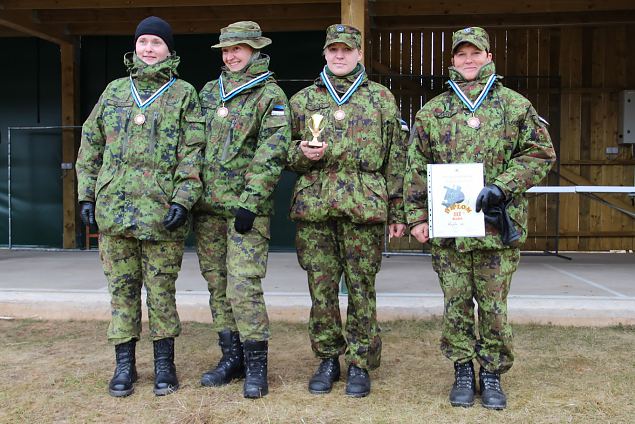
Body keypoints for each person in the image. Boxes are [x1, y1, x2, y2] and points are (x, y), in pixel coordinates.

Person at [404, 27, 556, 409]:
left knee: (492, 306)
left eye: (475, 53)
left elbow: (541, 153)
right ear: (452, 60)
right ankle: (461, 371)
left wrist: (502, 186)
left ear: (489, 57)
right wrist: (417, 217)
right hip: (449, 230)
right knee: (455, 303)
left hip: (495, 227)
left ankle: (490, 373)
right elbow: (415, 168)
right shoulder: (433, 111)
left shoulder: (515, 106)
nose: (468, 60)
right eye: (461, 54)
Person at [75, 16, 205, 397]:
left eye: (157, 43)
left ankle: (165, 366)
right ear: (135, 47)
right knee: (122, 291)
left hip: (162, 215)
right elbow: (90, 144)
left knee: (161, 292)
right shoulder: (115, 91)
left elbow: (193, 151)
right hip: (116, 213)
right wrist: (86, 195)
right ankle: (124, 366)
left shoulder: (183, 94)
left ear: (169, 49)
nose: (149, 48)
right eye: (143, 41)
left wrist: (183, 199)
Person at [287, 24, 408, 398]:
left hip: (364, 208)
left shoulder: (381, 99)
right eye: (333, 50)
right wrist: (301, 155)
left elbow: (397, 158)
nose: (339, 56)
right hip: (315, 208)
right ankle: (327, 358)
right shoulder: (303, 100)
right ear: (324, 54)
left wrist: (398, 211)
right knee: (321, 289)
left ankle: (360, 362)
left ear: (358, 54)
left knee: (361, 289)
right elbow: (283, 152)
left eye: (346, 50)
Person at [193, 21, 291, 399]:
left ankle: (256, 367)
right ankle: (231, 358)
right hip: (207, 212)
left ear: (255, 50)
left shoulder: (270, 96)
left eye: (239, 49)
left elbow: (272, 153)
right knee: (218, 287)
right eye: (226, 50)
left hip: (245, 213)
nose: (231, 56)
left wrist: (250, 203)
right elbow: (193, 145)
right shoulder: (207, 93)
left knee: (243, 286)